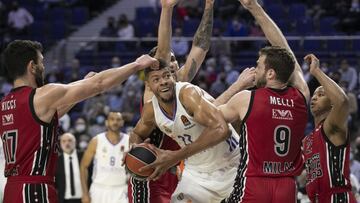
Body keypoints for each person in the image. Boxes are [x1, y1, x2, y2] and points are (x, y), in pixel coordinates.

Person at [0, 40, 157, 203]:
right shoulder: (40, 96)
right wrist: (137, 64)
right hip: (34, 189)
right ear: (32, 66)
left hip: (12, 190)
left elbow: (51, 113)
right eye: (41, 62)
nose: (44, 67)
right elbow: (99, 84)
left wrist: (81, 87)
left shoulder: (4, 105)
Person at [219, 0, 311, 202]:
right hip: (287, 186)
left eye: (258, 66)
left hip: (254, 182)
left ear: (270, 73)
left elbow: (208, 115)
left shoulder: (247, 98)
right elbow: (286, 53)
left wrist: (237, 86)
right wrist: (255, 8)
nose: (255, 69)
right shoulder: (302, 96)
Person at [128, 0, 217, 202]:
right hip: (150, 172)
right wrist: (167, 9)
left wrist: (209, 6)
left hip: (176, 172)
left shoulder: (180, 87)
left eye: (175, 61)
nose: (174, 64)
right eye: (168, 61)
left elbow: (200, 47)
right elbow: (162, 52)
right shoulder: (153, 91)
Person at [302, 54, 356, 203]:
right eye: (314, 95)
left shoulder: (333, 126)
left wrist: (316, 71)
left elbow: (342, 101)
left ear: (331, 103)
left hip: (338, 197)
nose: (314, 97)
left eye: (321, 94)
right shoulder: (308, 139)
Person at [80, 112, 129, 203]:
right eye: (112, 119)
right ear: (107, 122)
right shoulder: (96, 140)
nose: (115, 122)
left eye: (118, 120)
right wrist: (85, 193)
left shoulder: (129, 140)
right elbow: (83, 166)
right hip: (98, 189)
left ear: (122, 122)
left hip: (121, 189)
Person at [55, 133, 86, 203]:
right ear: (60, 143)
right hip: (64, 200)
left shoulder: (83, 156)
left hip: (83, 199)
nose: (67, 143)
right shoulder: (57, 161)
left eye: (70, 140)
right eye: (64, 141)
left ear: (75, 142)